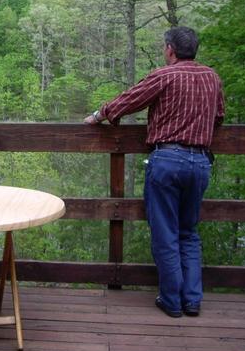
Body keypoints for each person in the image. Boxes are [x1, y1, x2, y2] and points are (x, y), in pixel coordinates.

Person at [84, 26, 224, 318]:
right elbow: (219, 117)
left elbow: (129, 100)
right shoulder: (212, 77)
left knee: (165, 233)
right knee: (189, 232)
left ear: (170, 49)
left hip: (168, 160)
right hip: (200, 161)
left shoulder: (164, 75)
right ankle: (192, 300)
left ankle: (172, 301)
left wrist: (98, 116)